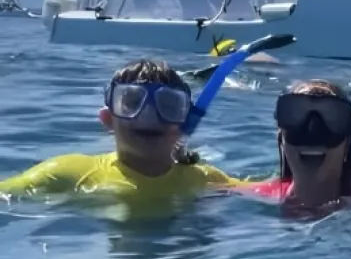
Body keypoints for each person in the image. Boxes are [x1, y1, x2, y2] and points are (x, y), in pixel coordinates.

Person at [0, 60, 239, 206]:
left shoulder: (207, 179)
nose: (149, 115)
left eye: (168, 106)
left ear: (185, 122)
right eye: (132, 103)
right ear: (108, 119)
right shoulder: (68, 173)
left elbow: (259, 192)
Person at [242, 80, 351, 213]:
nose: (312, 131)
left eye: (332, 118)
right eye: (295, 116)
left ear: (350, 139)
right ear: (281, 137)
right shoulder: (253, 197)